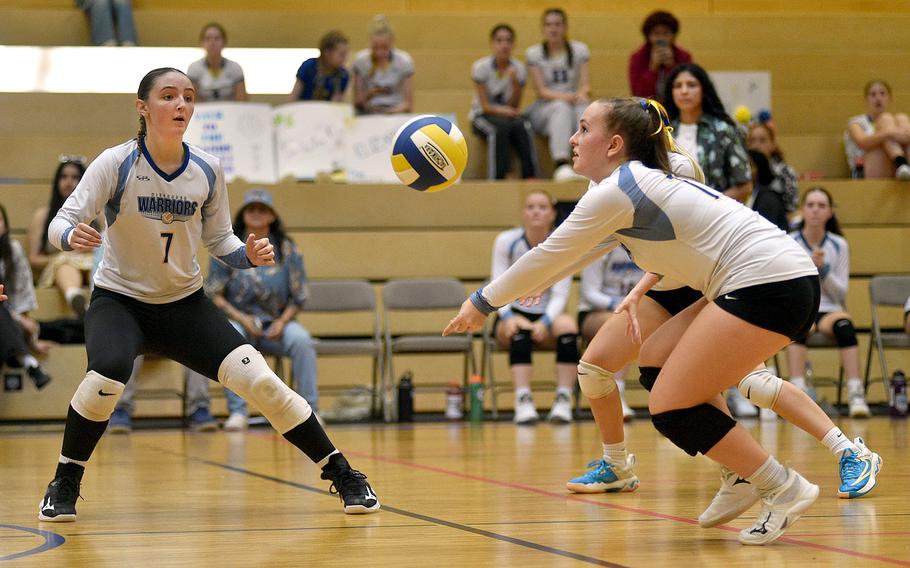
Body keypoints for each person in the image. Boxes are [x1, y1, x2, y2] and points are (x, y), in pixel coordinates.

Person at [446, 97, 837, 545]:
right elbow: (572, 253)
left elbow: (548, 253)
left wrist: (480, 302)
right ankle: (742, 476)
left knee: (670, 406)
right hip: (771, 277)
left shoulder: (620, 188)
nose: (572, 139)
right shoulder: (621, 188)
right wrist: (529, 283)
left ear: (614, 144)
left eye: (582, 129)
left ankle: (781, 486)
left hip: (770, 282)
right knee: (653, 363)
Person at [36, 67, 379, 523]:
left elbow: (223, 243)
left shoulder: (207, 168)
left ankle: (343, 472)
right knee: (106, 376)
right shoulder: (115, 163)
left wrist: (249, 256)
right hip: (121, 303)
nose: (181, 105)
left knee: (261, 381)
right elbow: (60, 221)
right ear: (143, 107)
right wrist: (69, 238)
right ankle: (65, 482)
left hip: (185, 306)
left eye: (188, 97)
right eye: (169, 96)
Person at [202, 188, 319, 432]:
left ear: (272, 216)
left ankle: (311, 410)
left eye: (262, 210)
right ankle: (237, 412)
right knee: (230, 340)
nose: (256, 214)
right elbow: (214, 293)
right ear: (243, 214)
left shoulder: (287, 249)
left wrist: (283, 322)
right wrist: (243, 319)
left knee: (302, 341)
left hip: (278, 322)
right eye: (251, 209)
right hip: (240, 321)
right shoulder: (228, 246)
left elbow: (299, 296)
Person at [491, 191, 579, 424]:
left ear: (552, 214)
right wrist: (509, 316)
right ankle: (523, 400)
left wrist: (545, 322)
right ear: (523, 214)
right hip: (511, 309)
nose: (536, 211)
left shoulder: (562, 243)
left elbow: (560, 294)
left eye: (542, 206)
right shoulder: (506, 242)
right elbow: (497, 285)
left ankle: (563, 399)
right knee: (515, 331)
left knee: (569, 327)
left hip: (548, 313)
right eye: (530, 207)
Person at [787, 187, 870, 418]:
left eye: (821, 206)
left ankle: (855, 394)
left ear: (830, 212)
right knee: (798, 329)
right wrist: (808, 268)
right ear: (802, 210)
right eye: (810, 205)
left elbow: (841, 292)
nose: (815, 210)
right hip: (802, 307)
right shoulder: (790, 241)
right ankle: (797, 393)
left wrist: (823, 270)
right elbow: (788, 284)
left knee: (845, 328)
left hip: (830, 309)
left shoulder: (838, 244)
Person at [664, 63, 752, 202]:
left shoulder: (723, 130)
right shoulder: (663, 132)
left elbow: (745, 186)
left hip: (713, 216)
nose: (684, 91)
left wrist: (709, 204)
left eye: (691, 85)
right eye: (678, 86)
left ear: (704, 90)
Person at [524, 8, 591, 181]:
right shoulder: (534, 53)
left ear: (565, 27)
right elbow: (542, 91)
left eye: (558, 24)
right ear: (543, 29)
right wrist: (567, 97)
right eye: (548, 25)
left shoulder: (579, 50)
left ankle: (585, 162)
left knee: (586, 109)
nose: (553, 29)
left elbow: (585, 86)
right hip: (544, 108)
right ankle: (561, 164)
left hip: (572, 101)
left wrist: (580, 95)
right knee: (561, 107)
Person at [577, 247, 642, 420]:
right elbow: (589, 292)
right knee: (625, 325)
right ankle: (617, 393)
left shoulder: (648, 243)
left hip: (634, 311)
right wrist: (619, 304)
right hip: (595, 311)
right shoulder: (602, 245)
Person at [470, 24, 539, 180]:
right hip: (481, 116)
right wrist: (503, 111)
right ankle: (497, 177)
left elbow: (514, 106)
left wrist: (515, 83)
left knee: (524, 126)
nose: (504, 45)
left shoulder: (519, 69)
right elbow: (485, 106)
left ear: (513, 44)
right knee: (498, 130)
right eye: (499, 40)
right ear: (492, 44)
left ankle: (530, 176)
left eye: (508, 41)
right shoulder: (480, 67)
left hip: (506, 116)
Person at [27, 159, 94, 319]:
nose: (69, 182)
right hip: (58, 269)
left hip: (91, 265)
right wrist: (64, 256)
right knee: (66, 264)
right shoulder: (42, 216)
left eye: (75, 177)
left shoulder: (96, 214)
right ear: (57, 182)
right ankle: (75, 298)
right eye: (63, 177)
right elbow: (33, 258)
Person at [0, 204, 53, 389]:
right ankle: (28, 362)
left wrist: (29, 334)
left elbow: (23, 292)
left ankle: (25, 358)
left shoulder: (12, 249)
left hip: (9, 322)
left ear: (5, 225)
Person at [108, 355, 218, 433]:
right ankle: (121, 408)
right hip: (139, 330)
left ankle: (199, 407)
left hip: (170, 330)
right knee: (127, 340)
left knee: (195, 339)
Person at [844, 79, 910, 180]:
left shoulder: (896, 121)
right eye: (873, 95)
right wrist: (889, 133)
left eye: (882, 94)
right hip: (864, 170)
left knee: (902, 118)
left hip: (897, 171)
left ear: (890, 98)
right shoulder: (856, 122)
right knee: (885, 118)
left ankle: (903, 166)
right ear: (866, 99)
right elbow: (863, 142)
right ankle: (900, 161)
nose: (878, 98)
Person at [352, 16, 414, 114]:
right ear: (369, 43)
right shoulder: (361, 61)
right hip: (369, 112)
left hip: (395, 111)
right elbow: (357, 102)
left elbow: (408, 104)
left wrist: (389, 112)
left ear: (392, 42)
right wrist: (370, 94)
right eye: (375, 48)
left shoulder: (404, 61)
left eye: (385, 48)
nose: (379, 53)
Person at [628, 10, 693, 101]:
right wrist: (653, 68)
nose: (661, 38)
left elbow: (687, 88)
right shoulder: (638, 57)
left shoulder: (683, 56)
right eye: (656, 33)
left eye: (666, 33)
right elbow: (638, 93)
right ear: (648, 36)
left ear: (673, 35)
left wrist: (672, 66)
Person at [186, 23, 248, 102]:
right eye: (208, 38)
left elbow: (242, 100)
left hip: (231, 112)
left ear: (224, 42)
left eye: (217, 38)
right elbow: (191, 100)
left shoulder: (235, 68)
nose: (212, 42)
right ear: (202, 43)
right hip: (203, 113)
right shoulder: (194, 68)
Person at [747, 121, 799, 214]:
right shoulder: (742, 171)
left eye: (762, 140)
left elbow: (791, 207)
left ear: (772, 144)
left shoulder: (785, 171)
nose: (756, 146)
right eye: (752, 141)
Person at [291, 30, 350, 102]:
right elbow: (294, 96)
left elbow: (335, 104)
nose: (344, 59)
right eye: (341, 55)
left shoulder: (342, 75)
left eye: (346, 55)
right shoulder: (309, 66)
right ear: (327, 52)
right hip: (303, 109)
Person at [747, 149, 788, 232]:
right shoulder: (747, 194)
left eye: (749, 166)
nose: (744, 171)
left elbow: (763, 232)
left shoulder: (768, 199)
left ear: (760, 169)